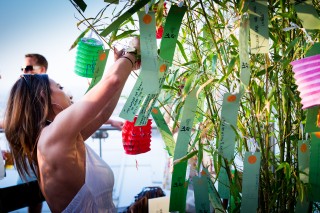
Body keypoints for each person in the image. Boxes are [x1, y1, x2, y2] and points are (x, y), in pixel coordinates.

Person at [3, 37, 140, 212]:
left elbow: (103, 112)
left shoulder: (60, 137)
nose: (66, 91)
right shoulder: (55, 135)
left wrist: (125, 65)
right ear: (44, 96)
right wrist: (131, 52)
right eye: (59, 87)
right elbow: (112, 82)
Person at [21, 53, 124, 129]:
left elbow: (93, 114)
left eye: (28, 68)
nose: (24, 71)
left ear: (42, 69)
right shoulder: (59, 134)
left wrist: (110, 121)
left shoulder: (50, 92)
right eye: (23, 69)